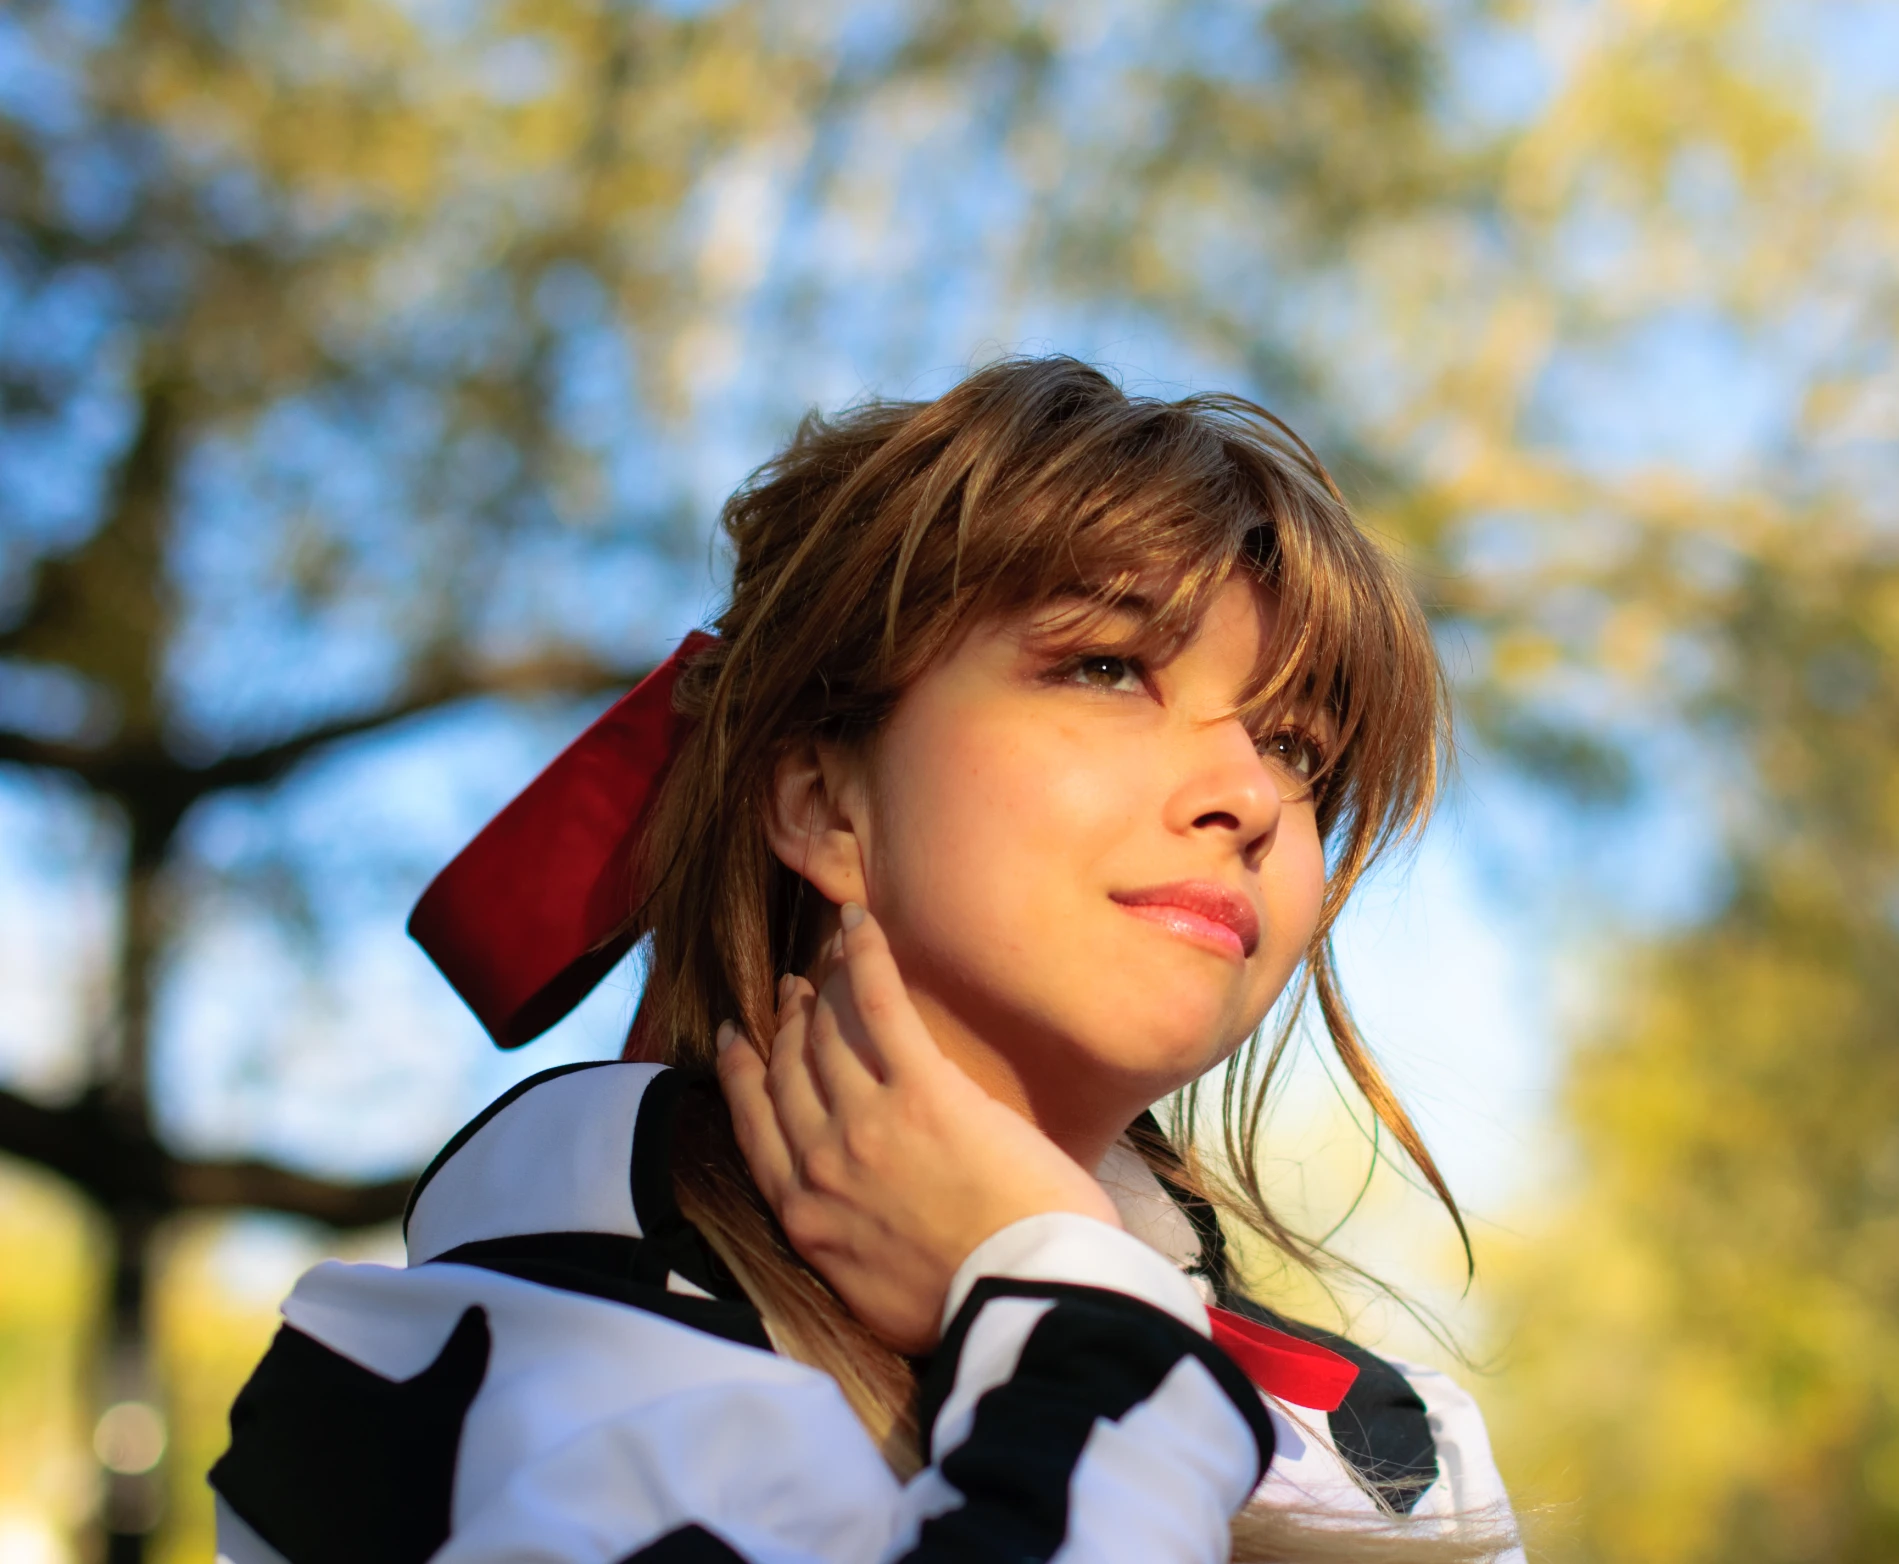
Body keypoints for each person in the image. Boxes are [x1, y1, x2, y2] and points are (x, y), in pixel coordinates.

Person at [208, 358, 1523, 1564]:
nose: (1246, 791)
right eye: (1108, 667)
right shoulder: (477, 1361)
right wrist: (1083, 1328)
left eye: (1297, 746)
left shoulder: (1397, 1449)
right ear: (823, 803)